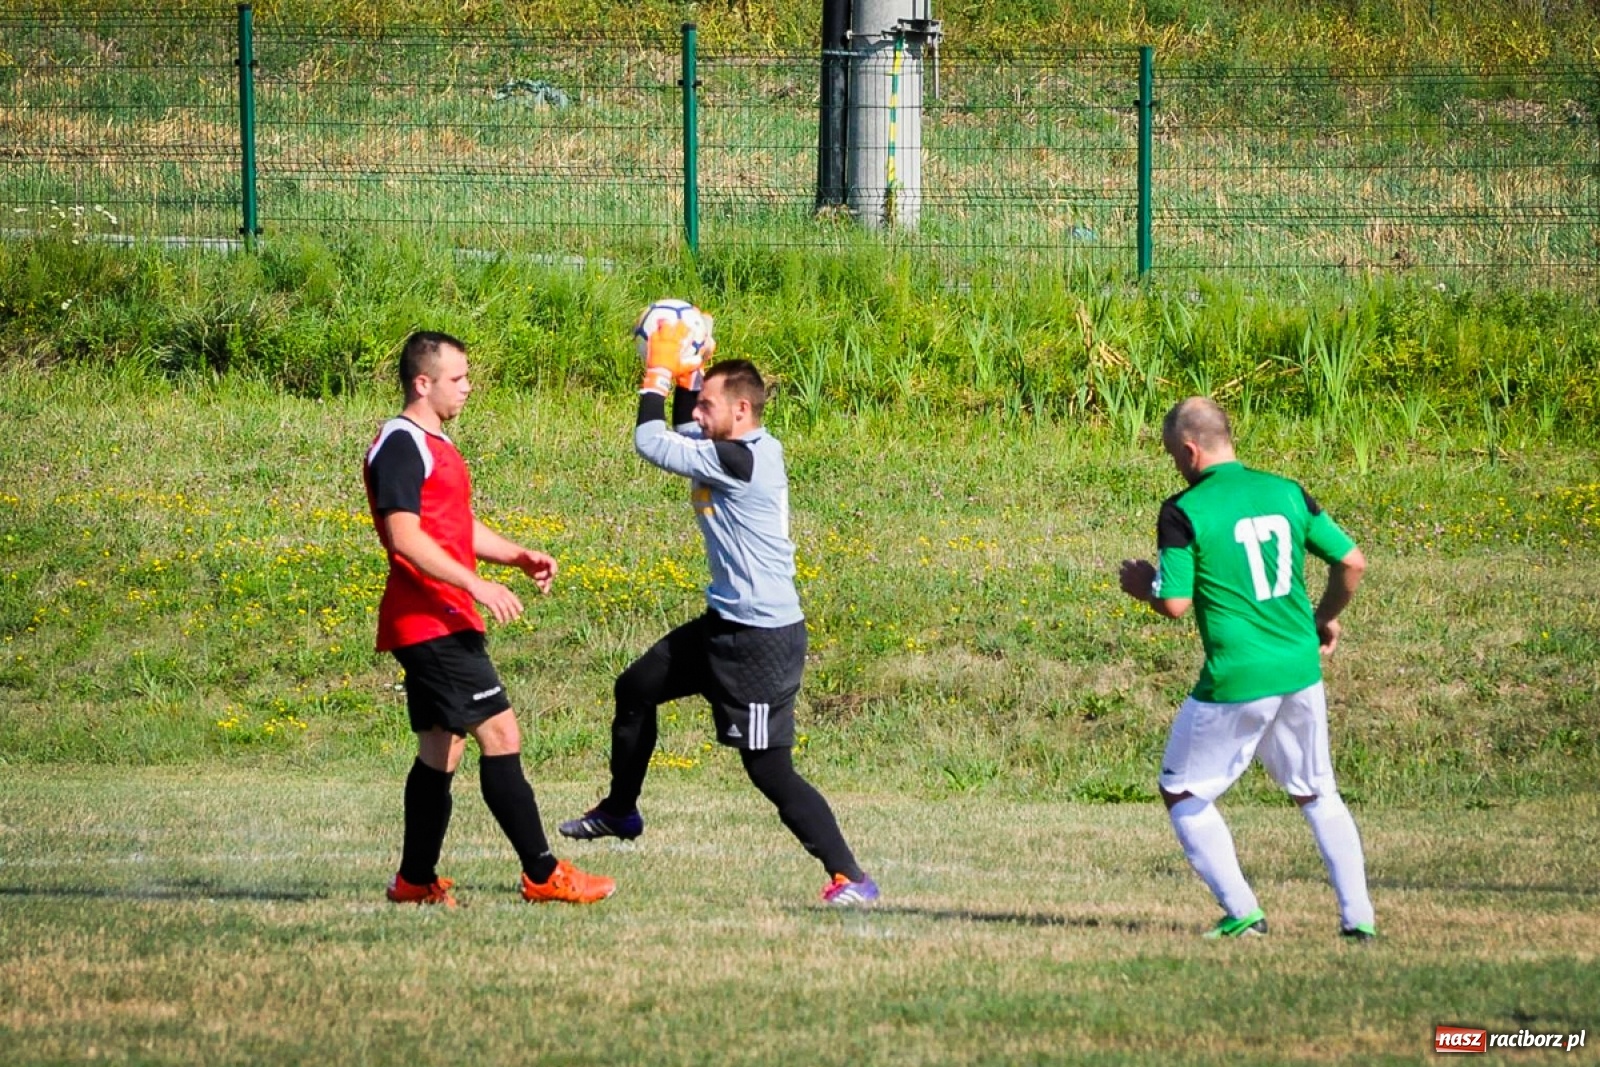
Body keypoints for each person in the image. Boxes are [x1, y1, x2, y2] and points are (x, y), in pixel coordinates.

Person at [557, 316, 878, 906]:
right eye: (700, 403)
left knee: (768, 770)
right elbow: (685, 430)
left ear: (742, 411)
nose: (699, 415)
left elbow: (652, 441)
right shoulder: (730, 446)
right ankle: (621, 810)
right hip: (723, 625)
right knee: (635, 688)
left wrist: (657, 374)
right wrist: (691, 373)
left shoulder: (741, 460)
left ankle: (851, 877)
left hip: (760, 640)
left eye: (709, 405)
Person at [364, 330, 614, 907]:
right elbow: (404, 536)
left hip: (440, 616)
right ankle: (543, 873)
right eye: (457, 378)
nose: (468, 387)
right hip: (431, 620)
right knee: (500, 733)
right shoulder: (402, 443)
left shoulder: (435, 443)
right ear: (422, 383)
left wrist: (516, 556)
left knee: (441, 749)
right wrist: (475, 583)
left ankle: (414, 880)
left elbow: (454, 526)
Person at [1118, 396, 1375, 940]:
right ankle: (1359, 920)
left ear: (1190, 449)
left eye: (1172, 454)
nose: (1175, 465)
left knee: (1183, 793)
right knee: (1317, 793)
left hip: (1236, 677)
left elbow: (1175, 603)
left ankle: (1243, 913)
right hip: (1299, 670)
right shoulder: (1286, 491)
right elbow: (1351, 561)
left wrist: (1145, 587)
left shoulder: (1183, 510)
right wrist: (1322, 618)